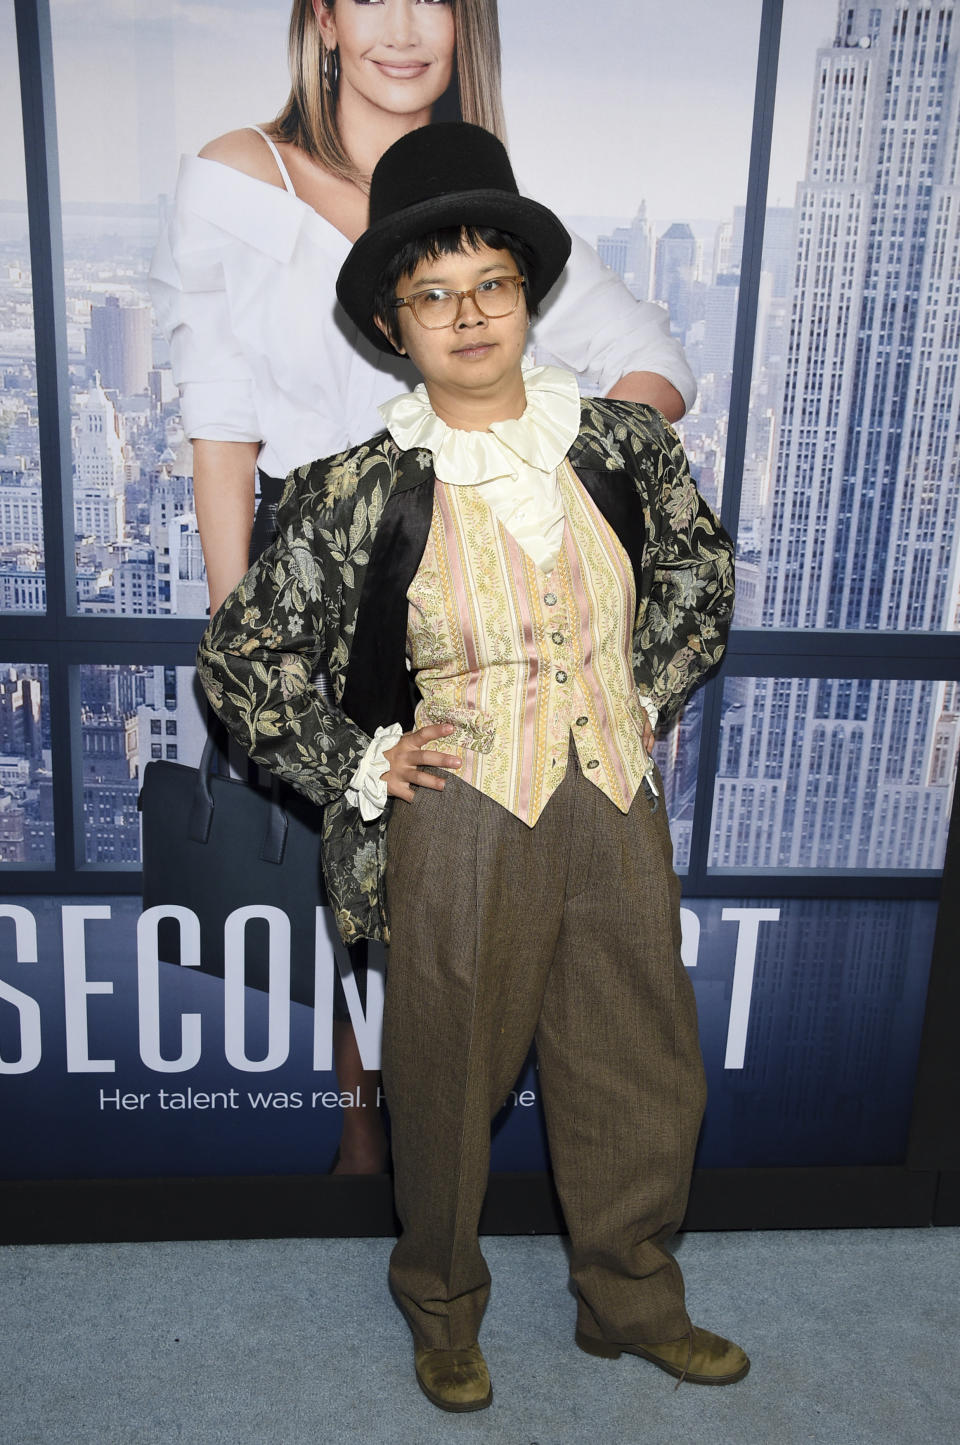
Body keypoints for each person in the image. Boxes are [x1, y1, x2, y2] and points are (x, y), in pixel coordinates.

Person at [197, 121, 746, 1412]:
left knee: (640, 1062)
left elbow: (700, 575)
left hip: (614, 802)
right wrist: (360, 758)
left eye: (489, 284)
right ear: (396, 325)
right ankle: (443, 1308)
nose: (467, 314)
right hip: (459, 819)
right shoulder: (359, 487)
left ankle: (631, 1301)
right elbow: (239, 655)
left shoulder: (624, 447)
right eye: (431, 295)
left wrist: (647, 690)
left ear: (526, 293)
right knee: (443, 1086)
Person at [150, 0, 696, 1175]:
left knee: (462, 879)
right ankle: (370, 1139)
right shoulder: (240, 176)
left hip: (475, 582)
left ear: (466, 25)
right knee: (358, 872)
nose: (403, 26)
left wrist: (558, 472)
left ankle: (430, 1149)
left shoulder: (474, 201)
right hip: (331, 572)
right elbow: (220, 432)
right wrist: (255, 653)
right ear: (323, 20)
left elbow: (660, 357)